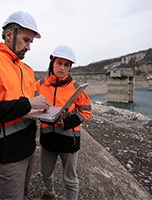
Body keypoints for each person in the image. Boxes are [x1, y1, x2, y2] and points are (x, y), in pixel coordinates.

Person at [0, 11, 50, 200]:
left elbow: (34, 101)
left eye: (31, 42)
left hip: (28, 147)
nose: (29, 47)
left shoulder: (27, 70)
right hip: (7, 153)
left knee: (23, 194)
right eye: (25, 40)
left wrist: (50, 110)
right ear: (9, 35)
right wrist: (28, 103)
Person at [36, 45, 92, 200]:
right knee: (45, 172)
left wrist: (68, 121)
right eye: (59, 63)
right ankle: (48, 194)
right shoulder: (39, 85)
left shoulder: (75, 88)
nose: (62, 68)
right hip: (47, 138)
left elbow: (86, 110)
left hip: (69, 139)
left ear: (70, 68)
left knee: (70, 178)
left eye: (66, 65)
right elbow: (31, 104)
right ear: (52, 63)